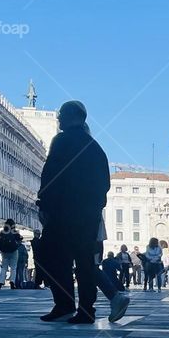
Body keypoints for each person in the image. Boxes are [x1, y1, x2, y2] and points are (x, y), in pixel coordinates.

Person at [37, 99, 111, 324]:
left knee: (51, 257)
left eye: (60, 114)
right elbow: (104, 184)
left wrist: (44, 203)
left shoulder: (62, 140)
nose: (58, 119)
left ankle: (64, 303)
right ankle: (86, 310)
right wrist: (94, 207)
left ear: (70, 116)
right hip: (86, 215)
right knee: (84, 262)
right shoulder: (95, 146)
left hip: (62, 213)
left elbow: (51, 174)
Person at [0, 220, 22, 288]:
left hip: (4, 252)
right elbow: (19, 239)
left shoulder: (2, 232)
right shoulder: (15, 232)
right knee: (13, 268)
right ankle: (12, 282)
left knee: (4, 267)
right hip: (13, 251)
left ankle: (1, 282)